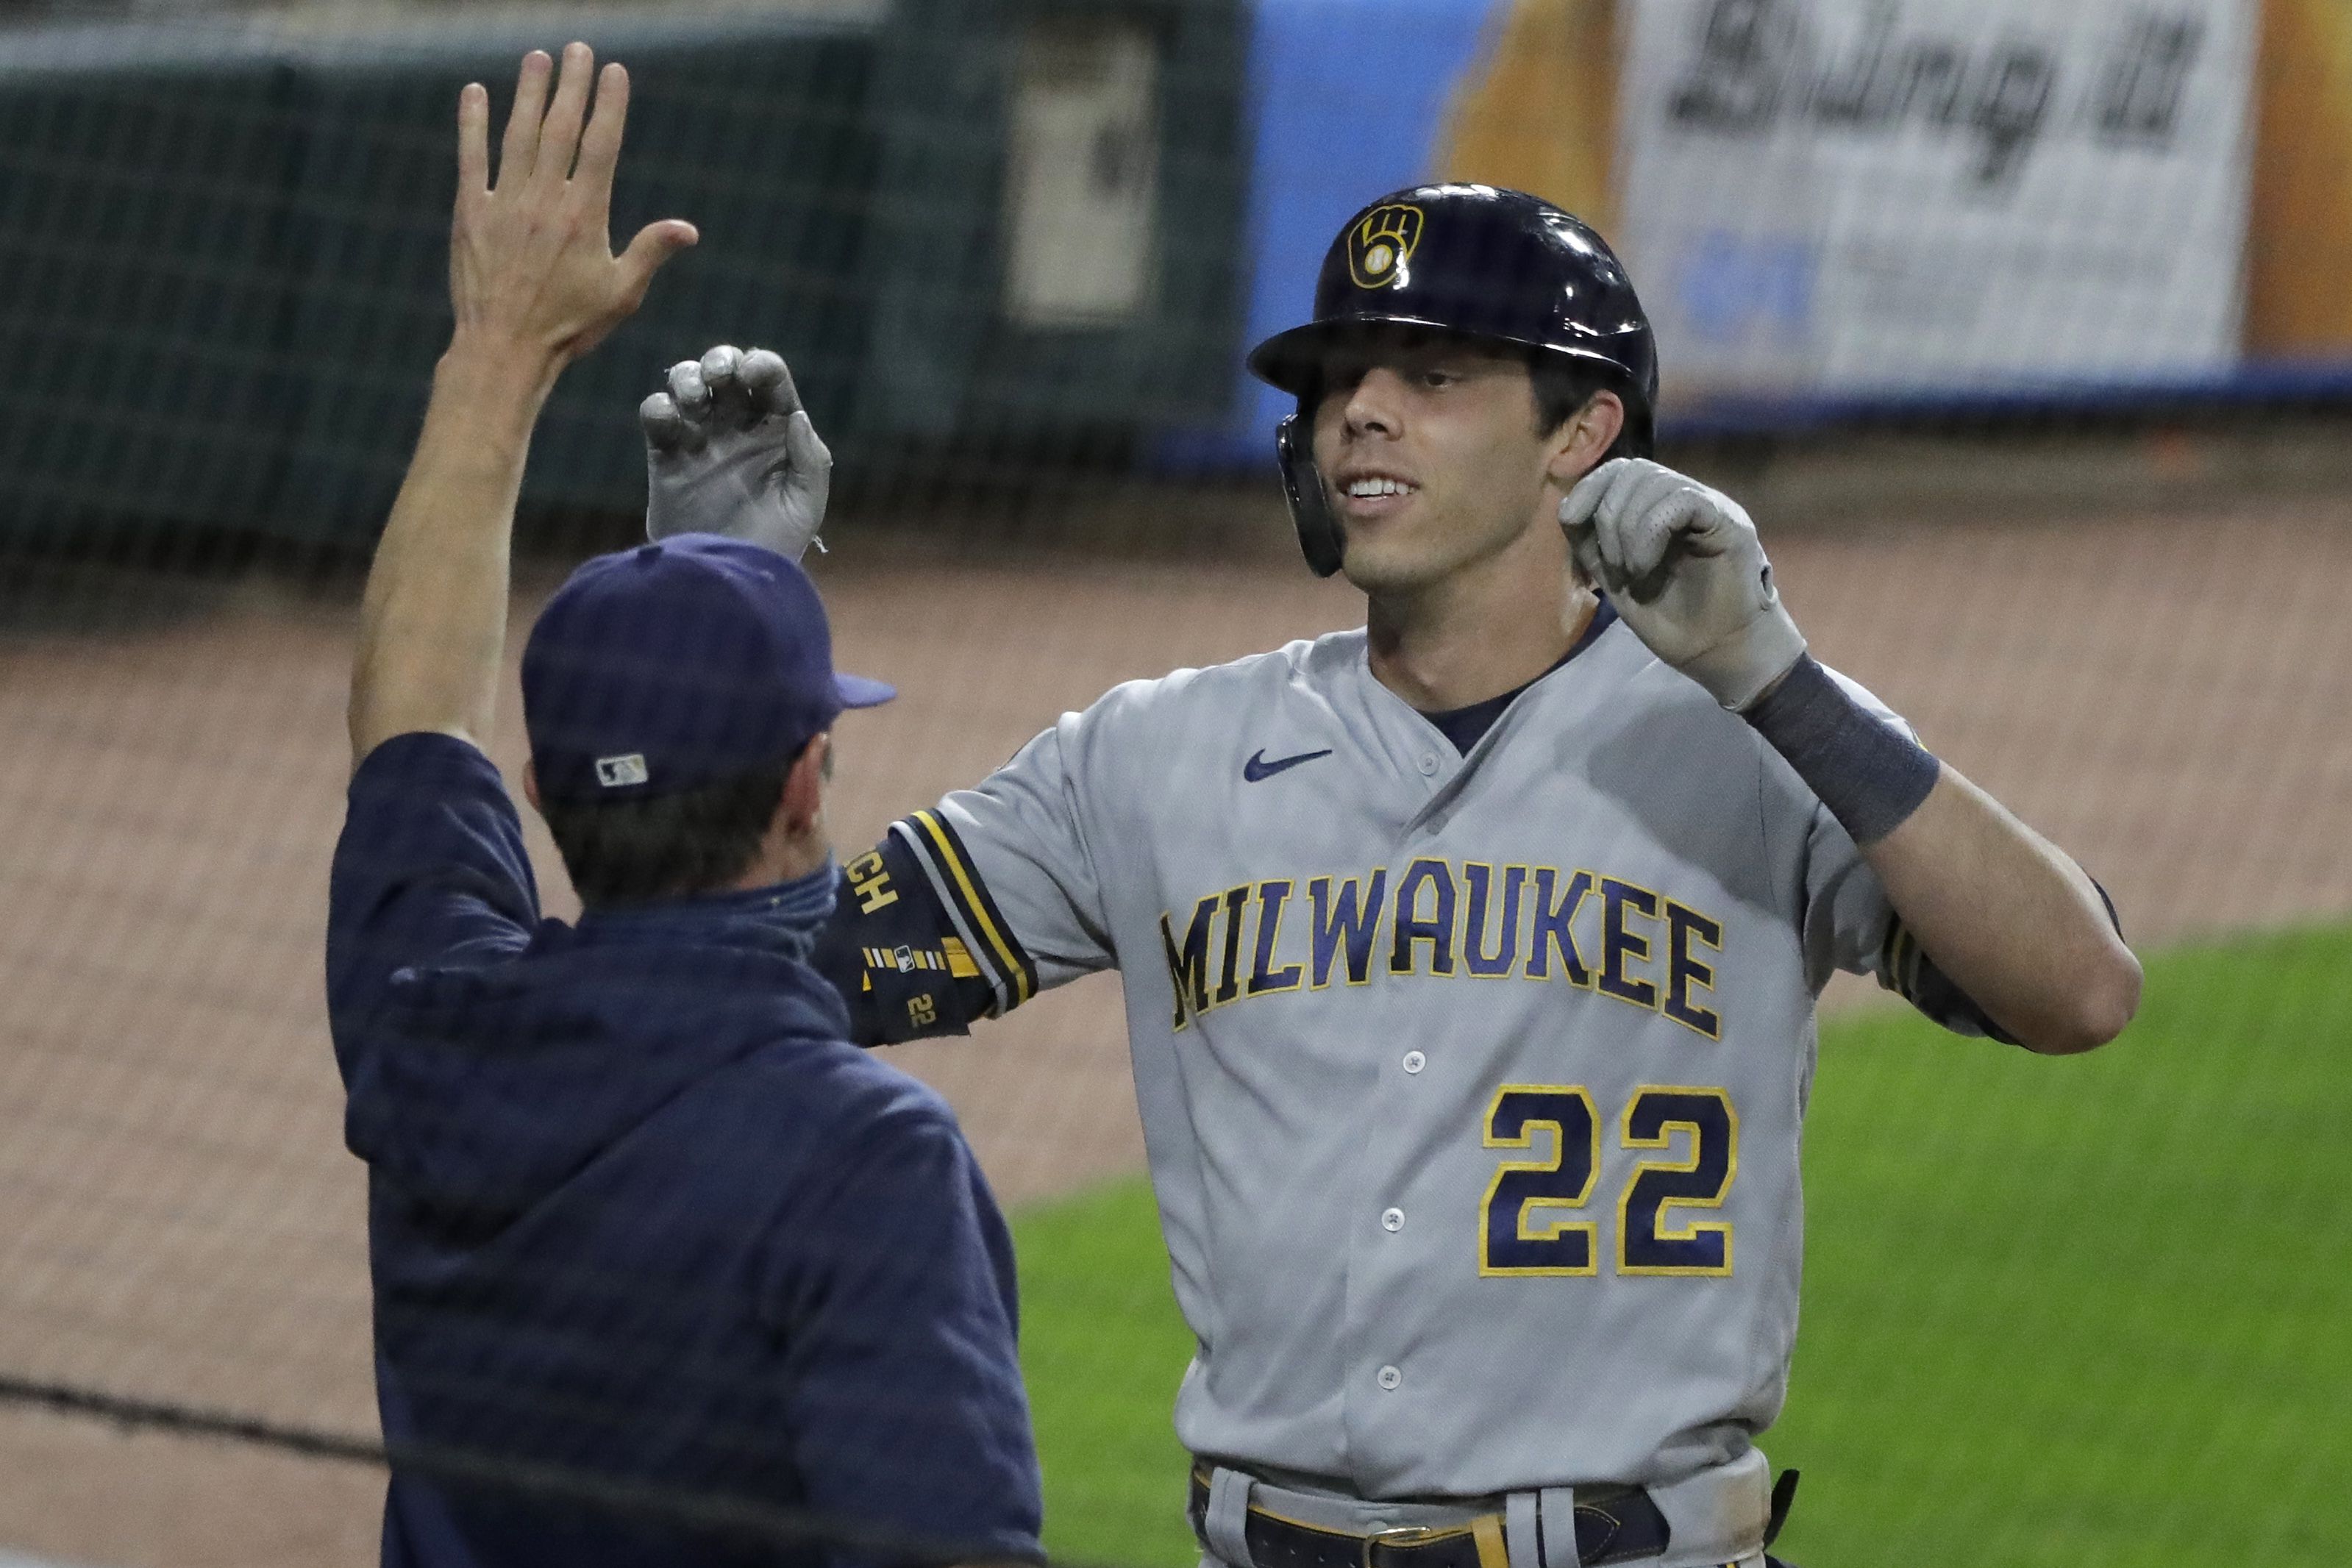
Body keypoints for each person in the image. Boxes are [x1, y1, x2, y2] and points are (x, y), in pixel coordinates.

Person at [641, 185, 2140, 1568]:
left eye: (1432, 376)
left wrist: (1783, 683)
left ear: (1582, 432)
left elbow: (2079, 990)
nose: (1360, 412)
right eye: (1339, 378)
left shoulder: (1754, 740)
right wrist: (720, 616)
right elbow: (774, 975)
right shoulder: (1153, 755)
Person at [328, 44, 1040, 1568]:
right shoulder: (866, 1158)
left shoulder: (432, 1031)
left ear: (539, 795)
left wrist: (498, 354)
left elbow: (409, 727)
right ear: (805, 777)